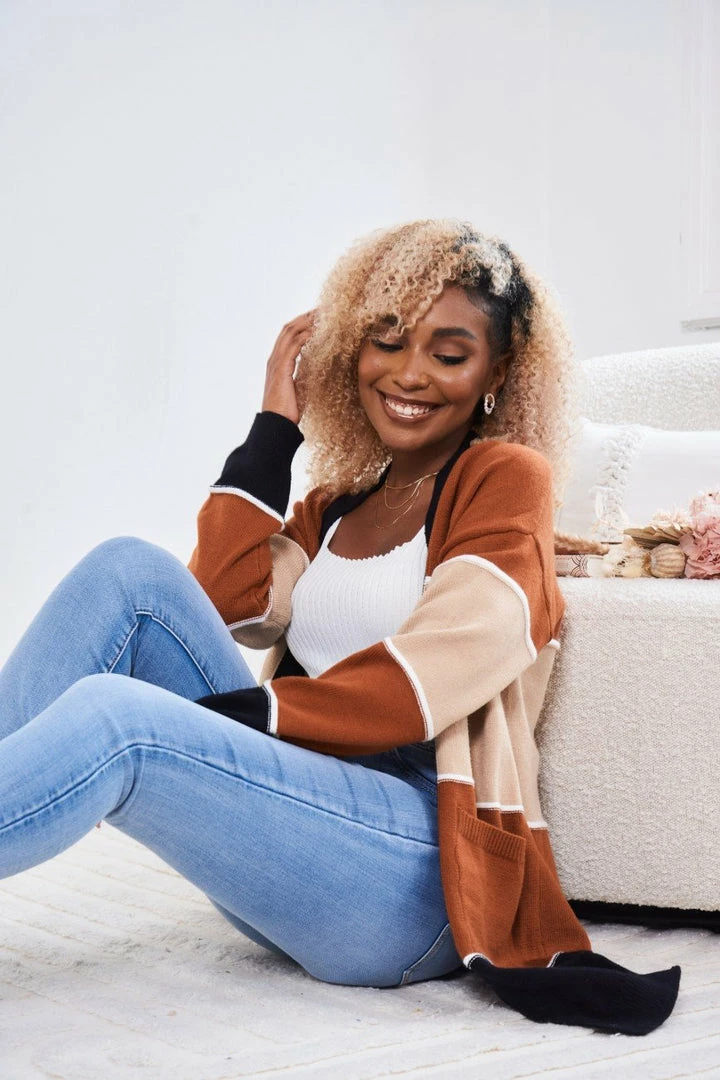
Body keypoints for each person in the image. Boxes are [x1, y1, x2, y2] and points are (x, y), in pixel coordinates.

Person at [0, 219, 679, 1035]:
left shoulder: (504, 480)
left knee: (119, 717)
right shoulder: (334, 508)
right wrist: (274, 428)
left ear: (497, 372)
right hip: (299, 837)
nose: (409, 373)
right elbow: (221, 599)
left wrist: (243, 719)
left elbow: (442, 666)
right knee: (128, 572)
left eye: (449, 354)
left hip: (413, 874)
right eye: (385, 341)